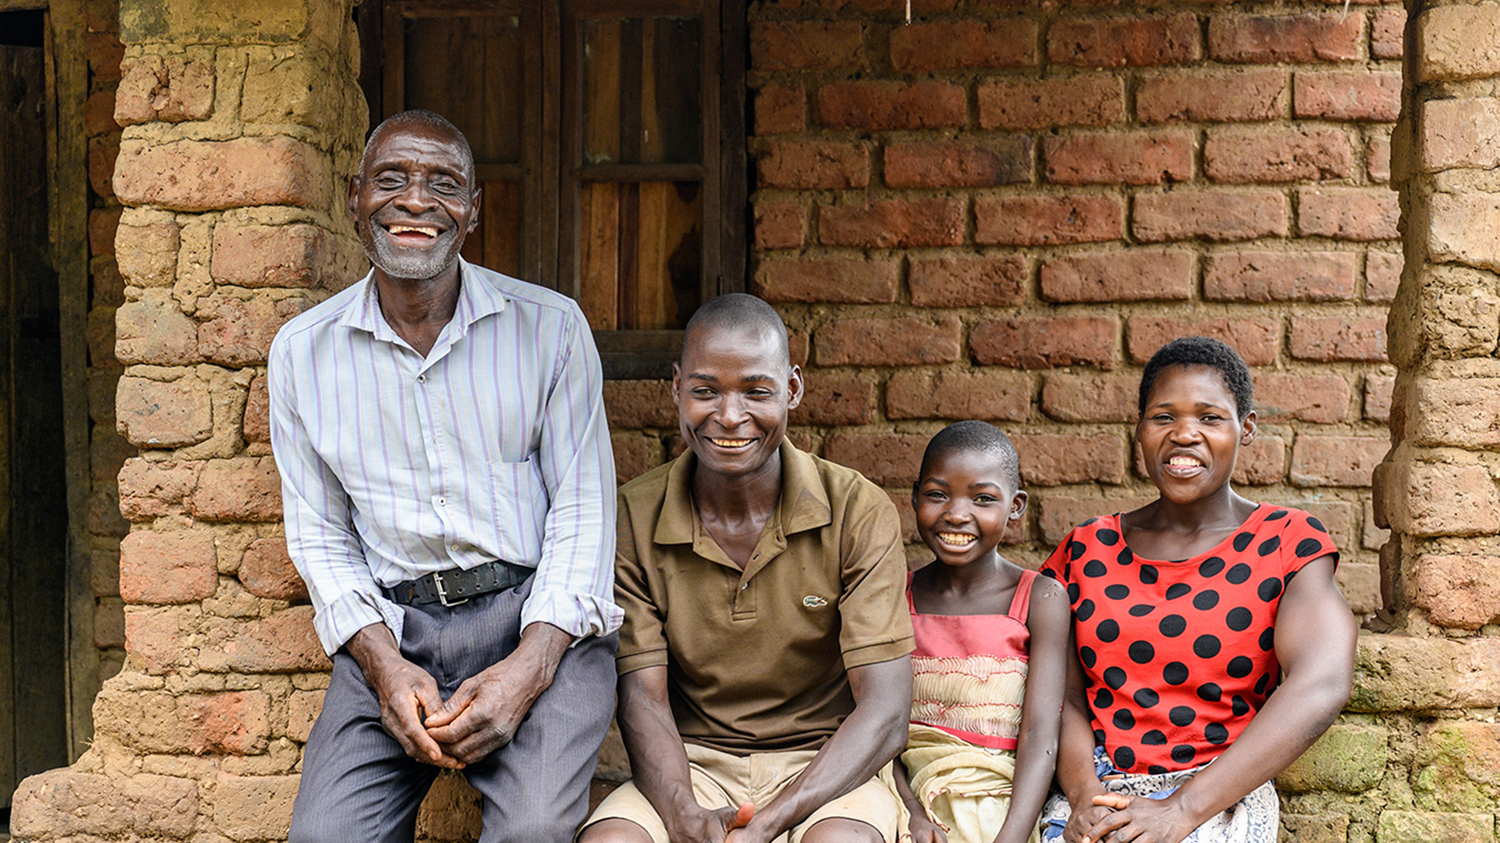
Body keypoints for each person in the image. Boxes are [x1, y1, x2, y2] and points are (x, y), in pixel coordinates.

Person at [269, 109, 619, 843]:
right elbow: (321, 537)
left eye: (444, 184)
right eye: (392, 180)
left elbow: (584, 516)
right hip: (396, 633)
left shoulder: (550, 329)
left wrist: (529, 666)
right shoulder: (303, 353)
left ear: (474, 211)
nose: (417, 202)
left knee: (531, 832)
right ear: (354, 196)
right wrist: (383, 665)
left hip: (536, 620)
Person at [579, 293, 915, 843]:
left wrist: (771, 823)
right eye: (705, 391)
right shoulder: (634, 516)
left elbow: (885, 710)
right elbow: (642, 697)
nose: (729, 417)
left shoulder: (857, 508)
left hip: (822, 768)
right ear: (676, 389)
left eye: (757, 391)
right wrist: (684, 815)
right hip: (692, 766)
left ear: (793, 389)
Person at [1037, 336, 1357, 843]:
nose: (1185, 434)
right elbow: (1063, 699)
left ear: (1245, 428)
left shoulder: (1285, 541)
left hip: (1215, 799)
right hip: (1097, 794)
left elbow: (1322, 682)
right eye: (1163, 417)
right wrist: (1084, 799)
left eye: (1209, 417)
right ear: (1140, 430)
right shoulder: (1085, 550)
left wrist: (1179, 811)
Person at [887, 421, 1072, 843]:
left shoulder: (1040, 598)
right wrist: (910, 813)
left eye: (983, 499)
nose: (956, 513)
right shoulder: (895, 597)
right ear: (914, 496)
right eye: (937, 494)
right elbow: (875, 726)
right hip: (906, 800)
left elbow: (1041, 734)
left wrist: (1011, 837)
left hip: (1006, 803)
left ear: (1016, 506)